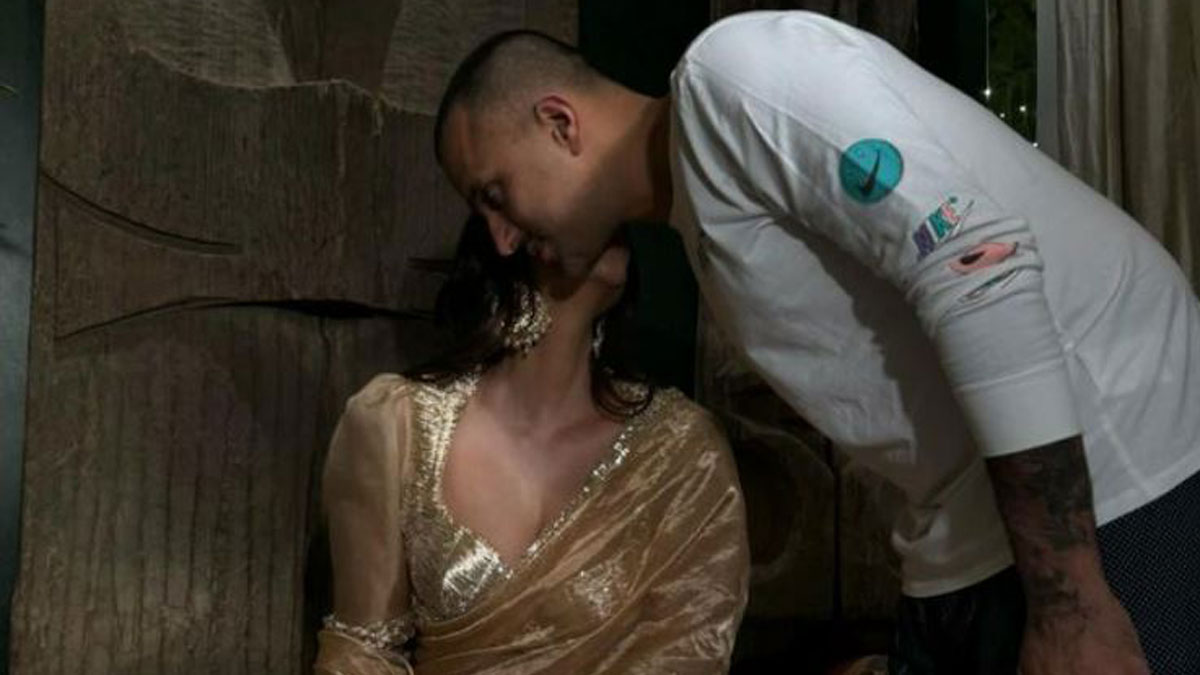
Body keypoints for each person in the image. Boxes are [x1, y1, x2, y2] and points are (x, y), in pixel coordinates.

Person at [432, 11, 1200, 675]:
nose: (501, 239)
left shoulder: (734, 74)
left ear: (560, 124)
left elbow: (975, 262)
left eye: (495, 195)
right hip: (975, 532)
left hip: (1120, 464)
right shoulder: (704, 231)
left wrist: (1071, 603)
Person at [312, 214, 750, 674]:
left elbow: (689, 654)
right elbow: (361, 651)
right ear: (509, 228)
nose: (611, 211)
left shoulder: (680, 450)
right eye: (579, 189)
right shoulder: (397, 422)